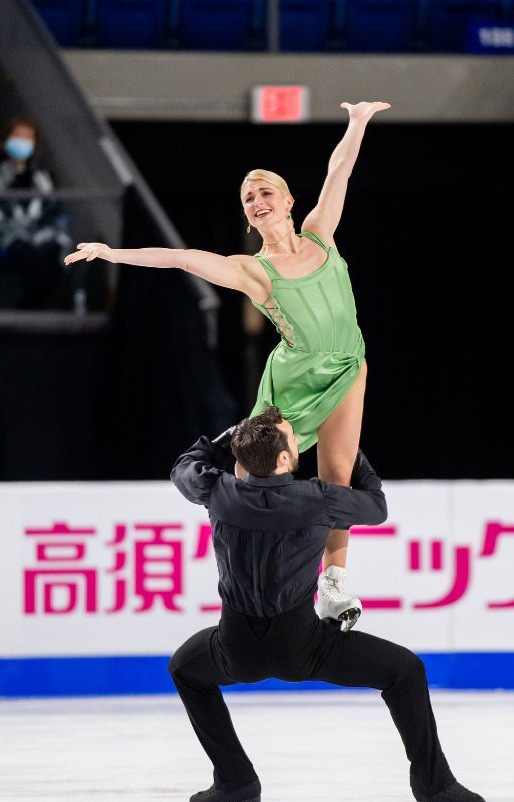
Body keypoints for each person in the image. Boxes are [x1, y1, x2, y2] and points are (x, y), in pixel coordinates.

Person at [63, 100, 391, 622]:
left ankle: (331, 586)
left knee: (338, 480)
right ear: (247, 215)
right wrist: (114, 254)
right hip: (295, 376)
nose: (257, 200)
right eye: (248, 197)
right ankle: (242, 580)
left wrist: (356, 124)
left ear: (288, 202)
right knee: (251, 474)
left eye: (266, 192)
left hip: (350, 366)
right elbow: (183, 258)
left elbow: (339, 172)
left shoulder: (321, 235)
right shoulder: (253, 270)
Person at [168, 407, 490, 802]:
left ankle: (236, 782)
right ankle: (435, 786)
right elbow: (376, 507)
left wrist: (225, 439)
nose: (298, 439)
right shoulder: (317, 498)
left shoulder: (219, 492)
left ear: (241, 461)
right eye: (294, 437)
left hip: (235, 649)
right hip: (305, 648)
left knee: (185, 669)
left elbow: (184, 467)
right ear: (284, 460)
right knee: (406, 670)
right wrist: (350, 453)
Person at [0, 115, 72, 309]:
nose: (22, 142)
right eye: (17, 136)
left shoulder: (43, 177)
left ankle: (29, 309)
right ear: (5, 140)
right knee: (29, 257)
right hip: (7, 237)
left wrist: (46, 233)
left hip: (37, 235)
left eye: (27, 137)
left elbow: (52, 210)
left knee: (53, 257)